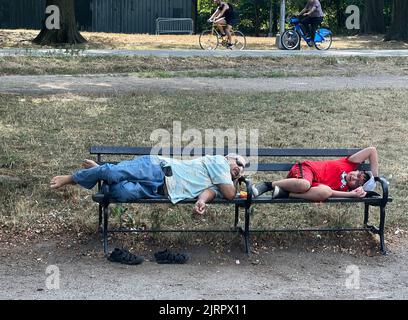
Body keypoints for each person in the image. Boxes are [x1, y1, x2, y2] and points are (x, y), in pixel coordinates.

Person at [50, 153, 247, 215]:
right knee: (113, 171)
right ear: (229, 158)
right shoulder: (219, 162)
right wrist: (232, 182)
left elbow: (209, 193)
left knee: (121, 193)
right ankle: (72, 178)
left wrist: (200, 202)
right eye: (238, 162)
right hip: (157, 167)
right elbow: (231, 194)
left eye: (243, 169)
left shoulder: (219, 182)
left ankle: (99, 171)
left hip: (159, 189)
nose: (240, 168)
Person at [252, 147, 379, 202]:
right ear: (357, 170)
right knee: (304, 184)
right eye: (358, 174)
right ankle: (268, 185)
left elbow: (329, 193)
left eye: (357, 182)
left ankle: (285, 193)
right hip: (307, 171)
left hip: (311, 187)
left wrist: (351, 194)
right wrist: (375, 178)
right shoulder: (349, 163)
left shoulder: (344, 189)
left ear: (354, 187)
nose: (354, 177)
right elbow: (372, 151)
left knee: (326, 192)